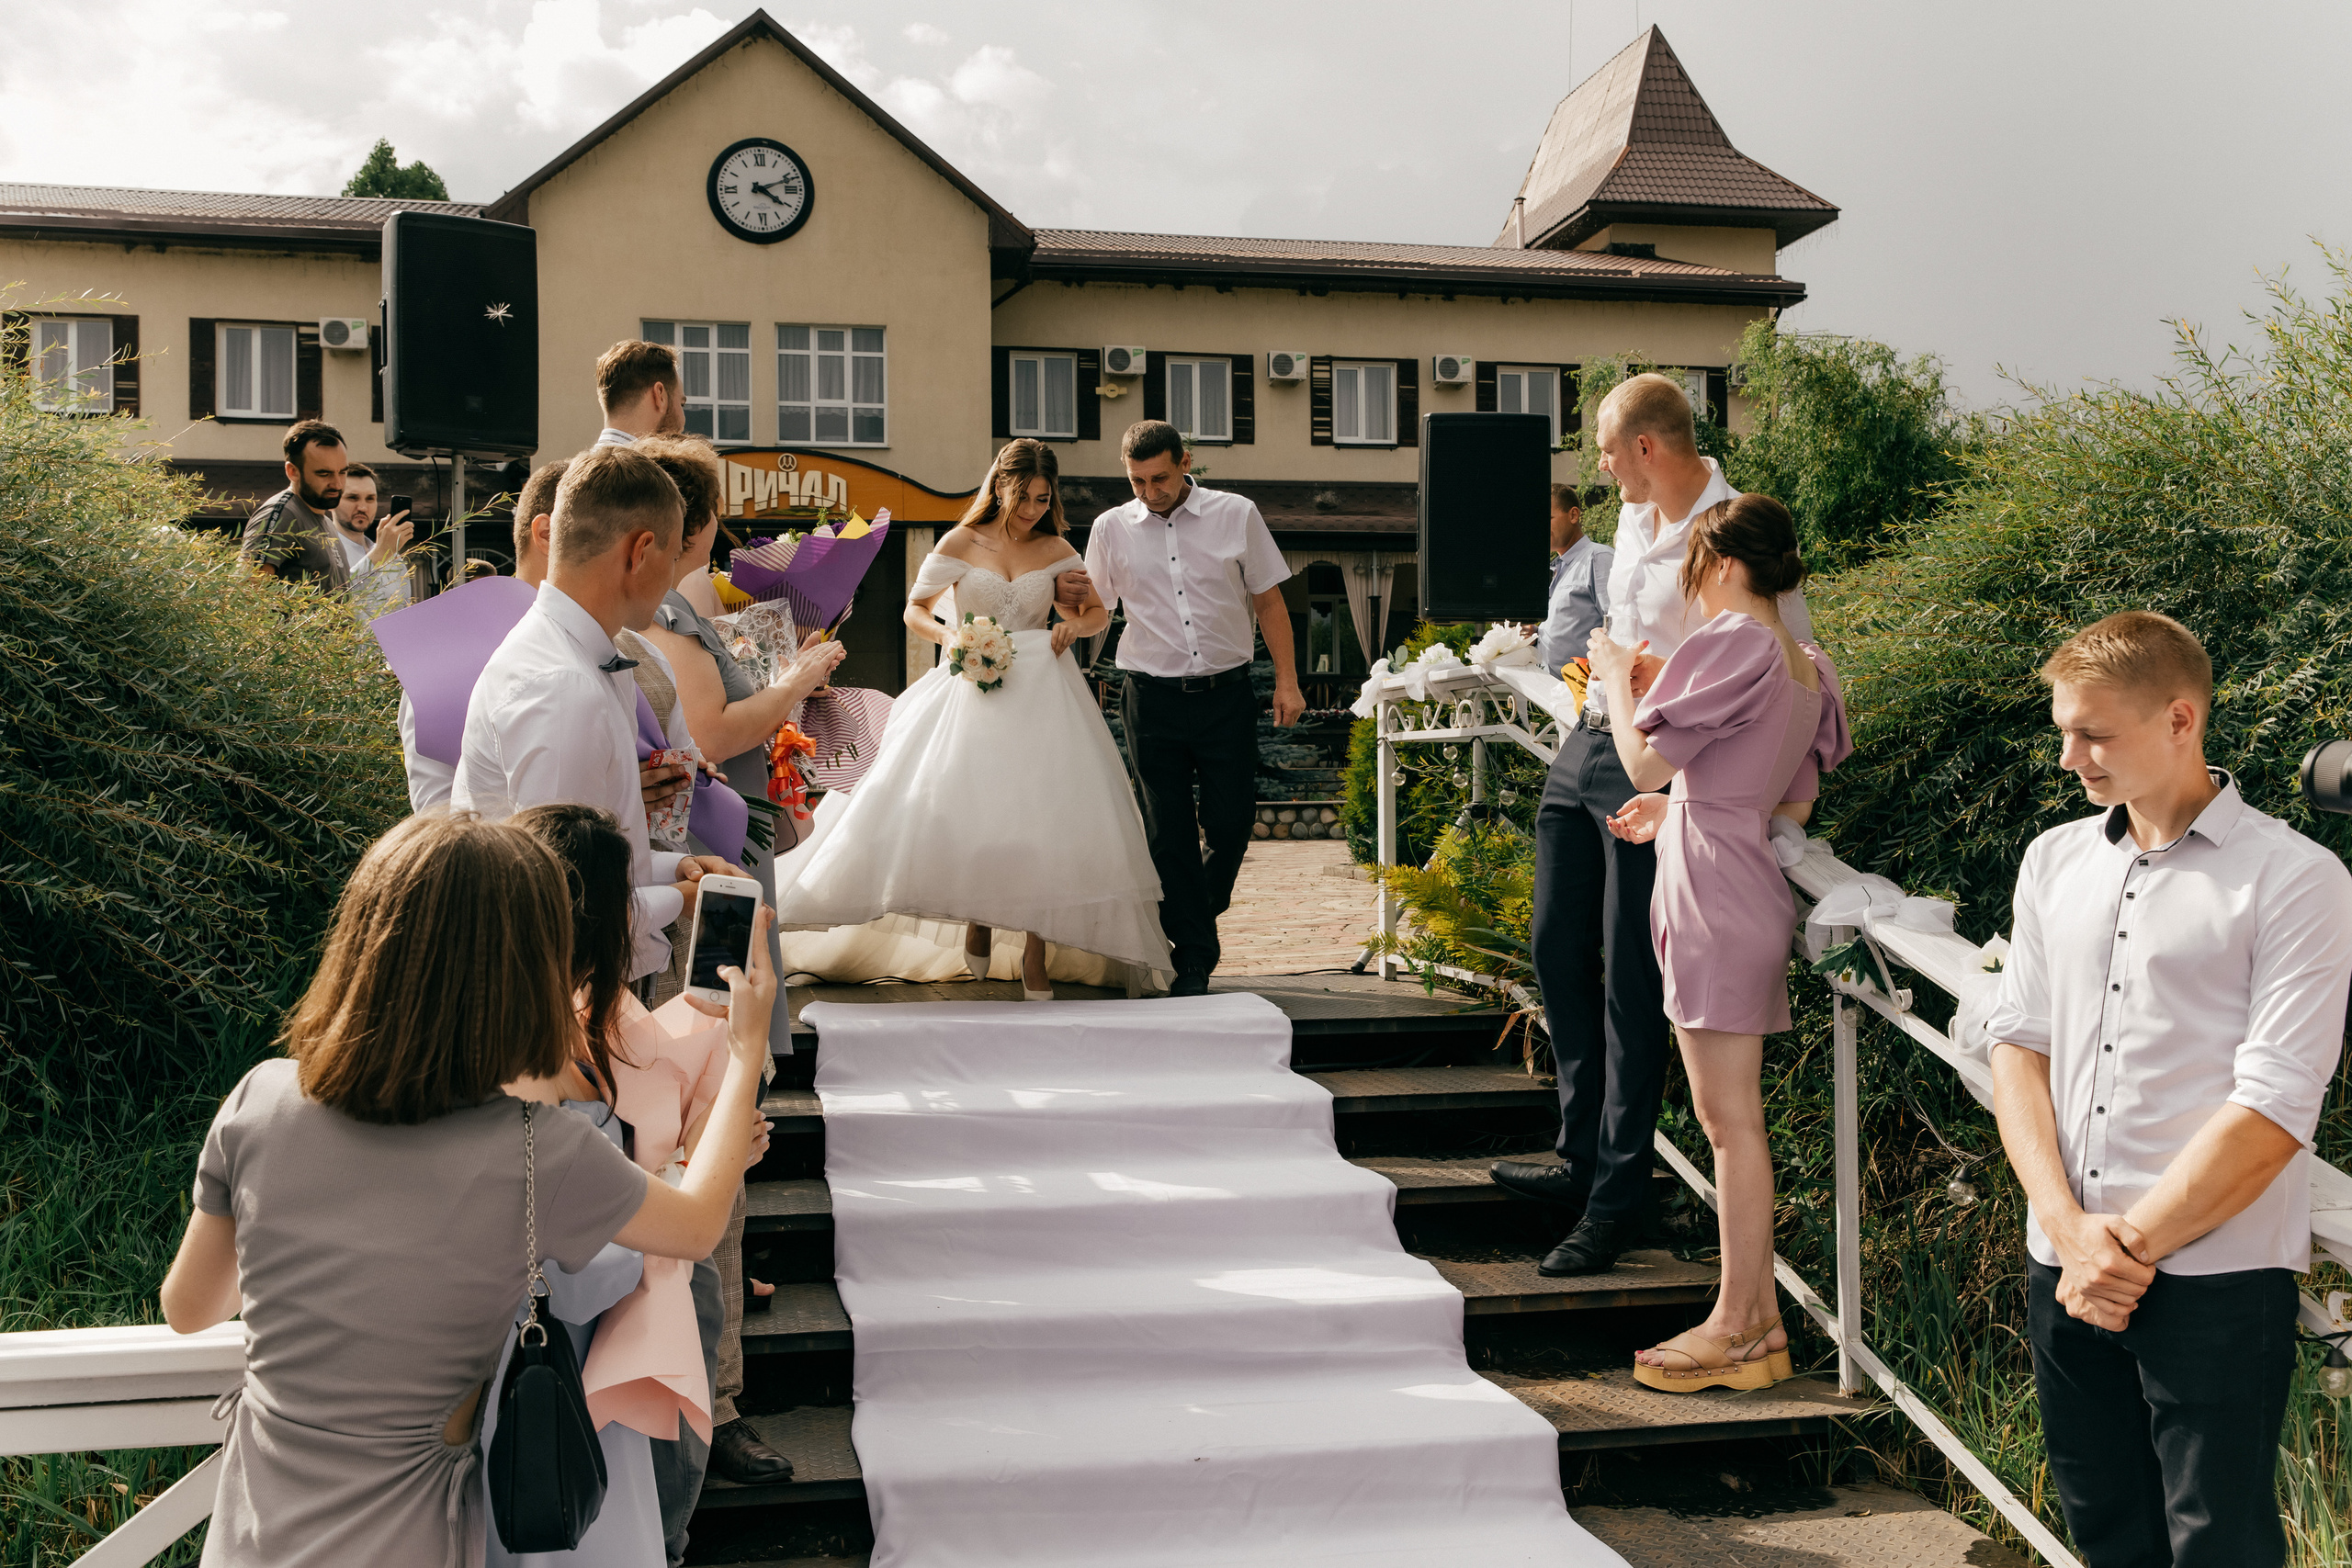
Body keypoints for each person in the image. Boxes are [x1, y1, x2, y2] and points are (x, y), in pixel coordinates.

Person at [157, 810, 775, 1568]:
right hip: (406, 1538)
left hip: (255, 1530)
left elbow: (190, 1308)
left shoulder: (260, 1099)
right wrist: (744, 1051)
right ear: (528, 971)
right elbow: (698, 1224)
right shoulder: (535, 1149)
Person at [1984, 612, 2352, 1567]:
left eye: (2094, 733)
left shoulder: (2296, 880)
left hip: (2218, 1277)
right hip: (2062, 1260)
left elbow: (2275, 1106)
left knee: (2217, 1545)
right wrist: (2069, 1233)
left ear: (2181, 720)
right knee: (2104, 1528)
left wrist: (2126, 1250)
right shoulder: (2050, 860)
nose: (2069, 757)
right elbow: (2016, 1046)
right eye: (2064, 729)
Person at [1488, 373, 1816, 1277]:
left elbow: (1799, 655)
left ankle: (1615, 1199)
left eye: (1604, 447)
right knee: (1556, 946)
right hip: (1590, 739)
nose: (1597, 467)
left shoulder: (1735, 527)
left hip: (1664, 764)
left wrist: (1747, 798)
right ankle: (1577, 1152)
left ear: (1646, 447)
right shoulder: (1632, 522)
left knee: (1632, 980)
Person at [1586, 495, 1849, 1389]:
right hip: (1742, 880)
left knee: (1728, 1126)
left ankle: (1736, 1322)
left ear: (1720, 565)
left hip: (1710, 895)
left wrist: (1621, 675)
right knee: (1731, 1122)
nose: (1691, 594)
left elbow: (1641, 760)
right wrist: (1683, 808)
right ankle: (1760, 1326)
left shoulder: (1731, 641)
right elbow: (1785, 802)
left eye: (1692, 573)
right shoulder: (1806, 663)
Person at [775, 438, 1169, 996]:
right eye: (1023, 497)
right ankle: (978, 916)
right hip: (970, 689)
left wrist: (1072, 626)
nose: (1032, 509)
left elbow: (1099, 612)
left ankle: (1036, 949)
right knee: (970, 811)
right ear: (1000, 487)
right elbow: (913, 609)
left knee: (1042, 821)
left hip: (1042, 694)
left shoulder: (1057, 547)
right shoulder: (961, 540)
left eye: (1042, 498)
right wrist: (950, 635)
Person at [630, 434, 829, 1496]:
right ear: (697, 527)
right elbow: (708, 734)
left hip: (702, 877)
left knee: (710, 1134)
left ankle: (706, 1390)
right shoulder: (658, 621)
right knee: (709, 1126)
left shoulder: (662, 620)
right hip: (688, 904)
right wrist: (797, 680)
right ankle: (708, 1401)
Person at [452, 444, 731, 982]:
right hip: (566, 1000)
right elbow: (567, 909)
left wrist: (677, 866)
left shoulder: (584, 659)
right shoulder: (561, 689)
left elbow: (597, 859)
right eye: (674, 559)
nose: (674, 579)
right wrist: (681, 897)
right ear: (641, 551)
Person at [1069, 420, 1302, 997]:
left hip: (1226, 694)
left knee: (1231, 822)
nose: (1150, 492)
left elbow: (1269, 602)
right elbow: (1095, 612)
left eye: (1161, 478)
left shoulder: (1236, 514)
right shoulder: (1110, 528)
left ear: (1186, 461)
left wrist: (1289, 683)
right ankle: (1193, 957)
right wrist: (1050, 632)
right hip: (1149, 697)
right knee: (1166, 833)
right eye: (1138, 482)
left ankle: (1194, 912)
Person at [239, 420, 352, 589]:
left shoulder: (326, 522)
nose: (337, 484)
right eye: (324, 474)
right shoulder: (281, 515)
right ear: (292, 471)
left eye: (342, 472)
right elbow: (248, 595)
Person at [1537, 483, 1611, 681]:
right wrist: (1537, 634)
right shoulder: (1560, 567)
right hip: (1554, 693)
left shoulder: (1598, 558)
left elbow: (1615, 624)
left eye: (1549, 517)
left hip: (1584, 691)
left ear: (1573, 515)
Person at [333, 461, 418, 618]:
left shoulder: (393, 559)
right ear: (332, 501)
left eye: (370, 499)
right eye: (353, 498)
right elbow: (335, 598)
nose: (363, 507)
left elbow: (404, 615)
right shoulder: (323, 549)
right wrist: (381, 552)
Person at [595, 340, 685, 447]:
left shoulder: (575, 464)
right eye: (682, 404)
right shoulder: (656, 464)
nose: (683, 422)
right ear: (660, 395)